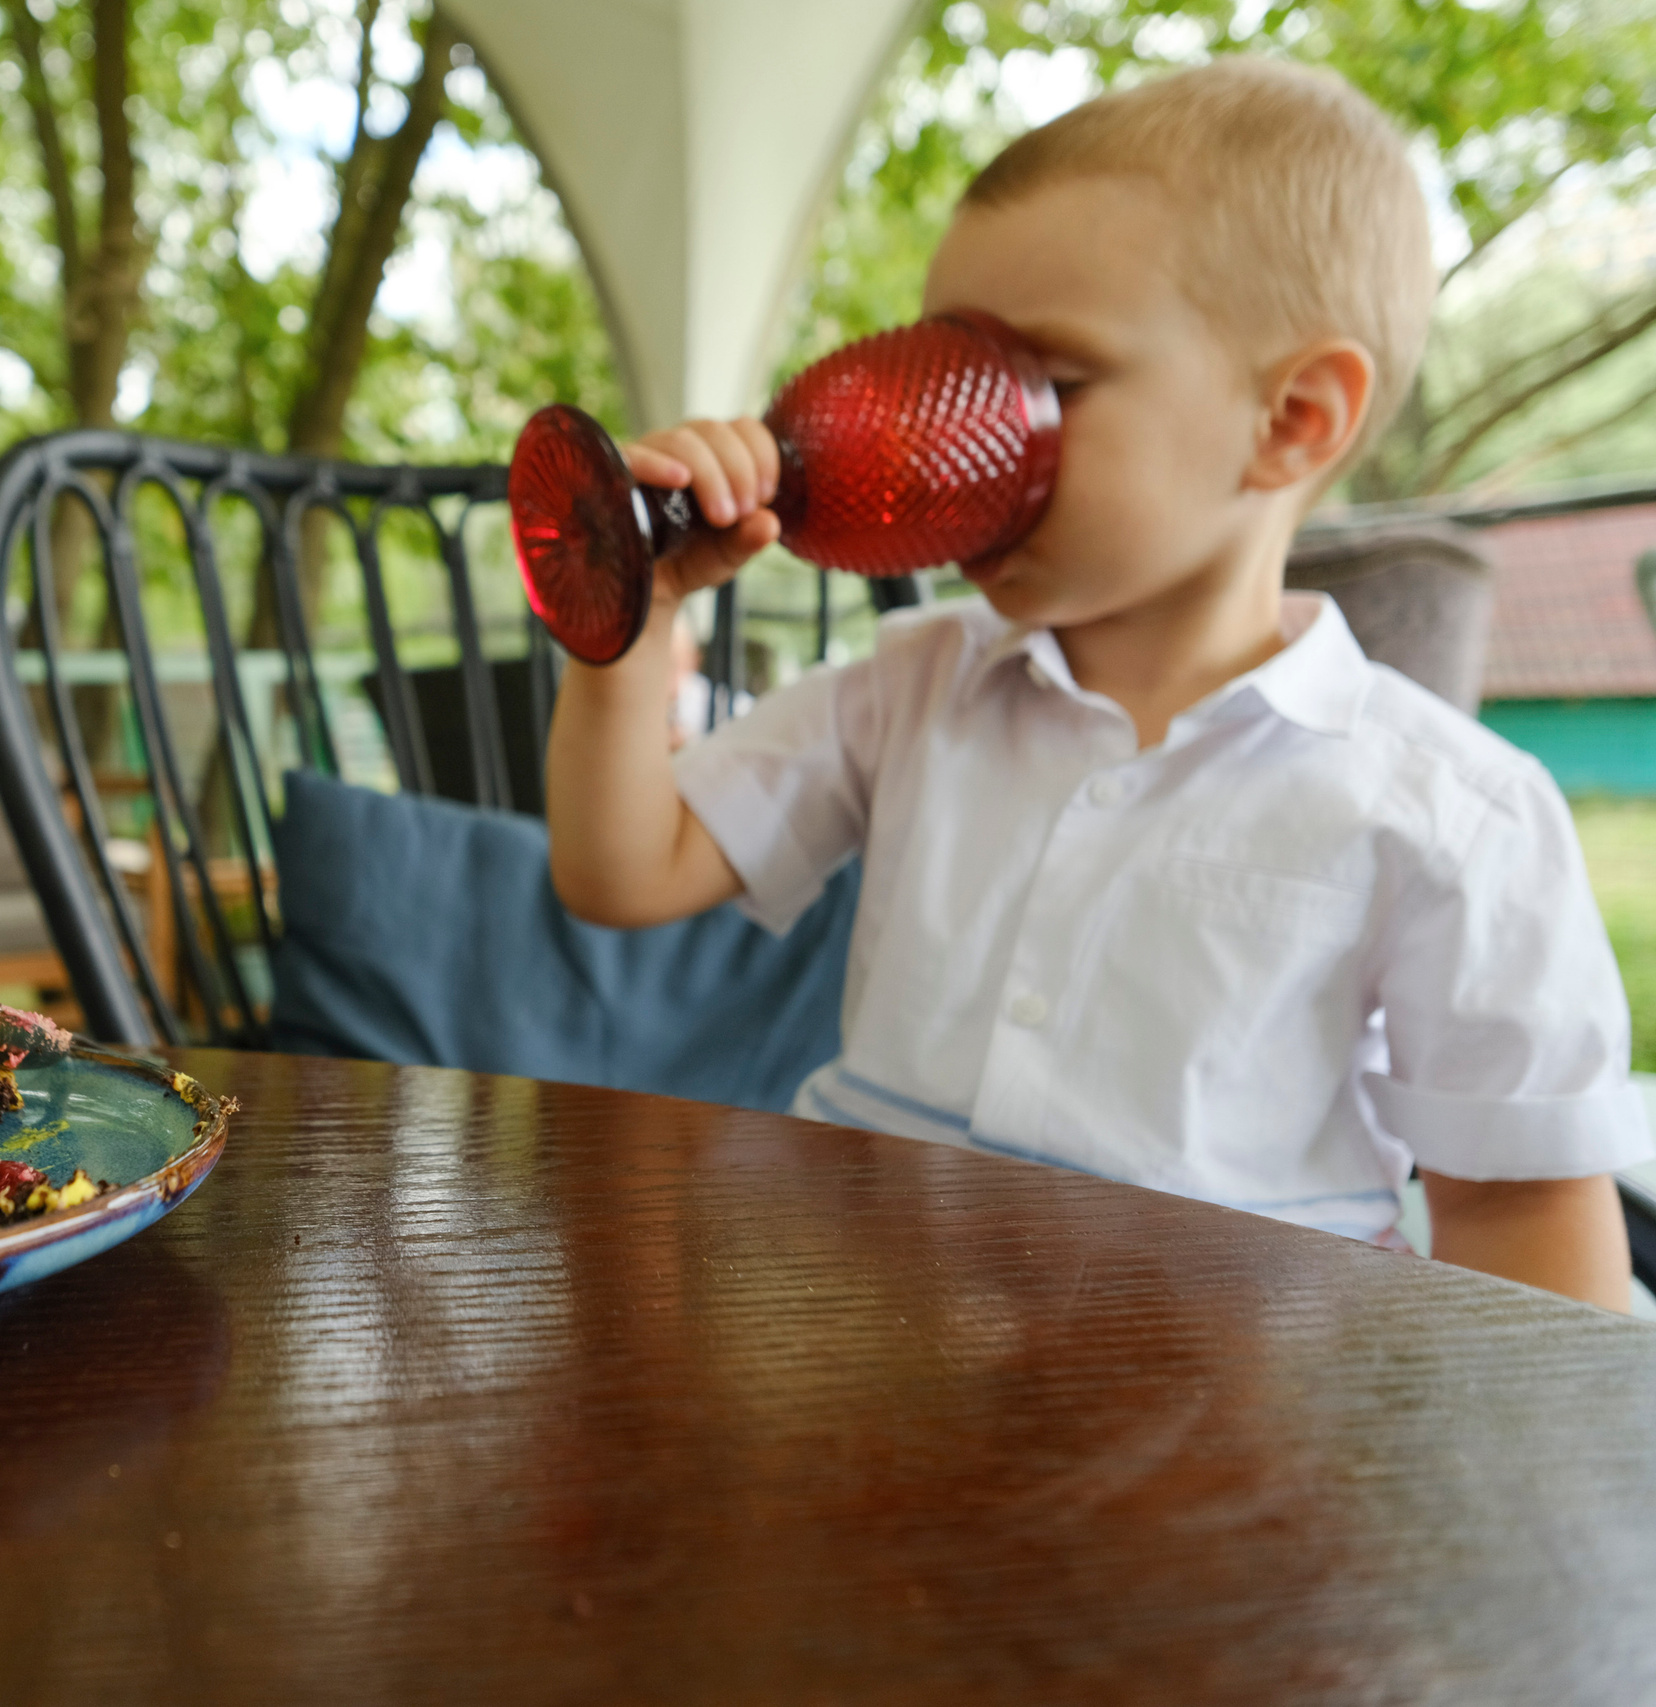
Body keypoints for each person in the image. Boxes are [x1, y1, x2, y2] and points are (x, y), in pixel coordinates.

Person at [542, 58, 1651, 1310]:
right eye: (942, 372)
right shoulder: (915, 685)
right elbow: (620, 870)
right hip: (865, 1352)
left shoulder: (1450, 813)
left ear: (1292, 417)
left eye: (1049, 387)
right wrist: (638, 606)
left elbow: (1517, 1215)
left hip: (1217, 1435)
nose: (949, 445)